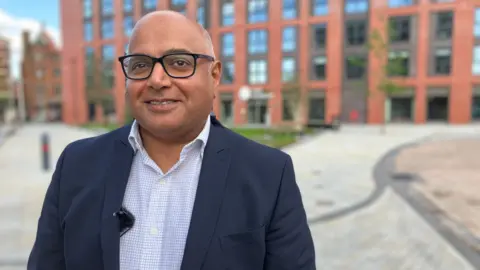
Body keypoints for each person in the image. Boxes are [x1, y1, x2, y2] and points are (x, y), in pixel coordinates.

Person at [27, 11, 315, 270]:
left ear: (214, 75)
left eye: (178, 63)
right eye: (140, 65)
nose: (157, 80)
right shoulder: (77, 165)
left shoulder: (269, 174)